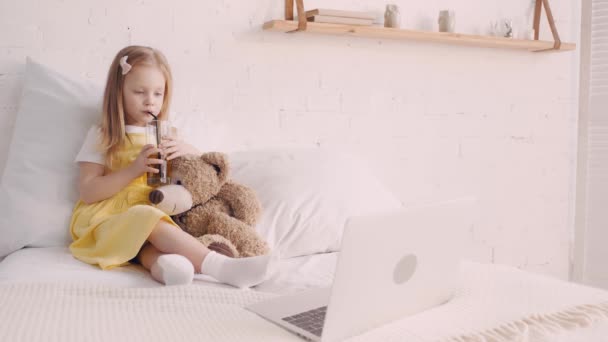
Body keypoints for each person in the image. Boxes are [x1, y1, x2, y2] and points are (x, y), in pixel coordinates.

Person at [69, 45, 271, 287]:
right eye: (139, 92)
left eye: (158, 93)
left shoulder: (167, 134)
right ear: (118, 92)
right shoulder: (104, 135)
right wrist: (134, 169)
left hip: (154, 217)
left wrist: (191, 152)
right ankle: (221, 267)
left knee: (150, 248)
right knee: (147, 217)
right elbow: (88, 191)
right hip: (106, 221)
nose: (150, 101)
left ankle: (172, 269)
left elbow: (199, 177)